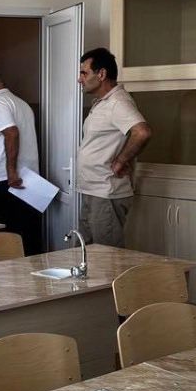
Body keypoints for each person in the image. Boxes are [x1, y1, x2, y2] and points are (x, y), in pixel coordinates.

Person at [77, 48, 152, 247]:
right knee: (84, 253)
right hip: (93, 190)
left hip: (106, 192)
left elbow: (142, 132)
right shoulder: (103, 103)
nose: (79, 79)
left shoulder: (118, 102)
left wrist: (121, 160)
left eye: (84, 73)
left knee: (106, 257)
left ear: (101, 74)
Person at [0, 68, 43, 256]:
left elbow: (11, 133)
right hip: (28, 179)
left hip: (5, 179)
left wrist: (11, 172)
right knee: (26, 235)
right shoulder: (22, 104)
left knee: (4, 238)